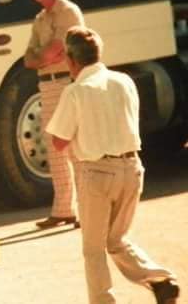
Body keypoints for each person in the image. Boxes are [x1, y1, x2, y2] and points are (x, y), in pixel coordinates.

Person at [46, 26, 180, 304]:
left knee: (94, 249)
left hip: (96, 173)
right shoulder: (124, 81)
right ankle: (160, 280)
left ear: (71, 60)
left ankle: (104, 301)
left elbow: (58, 141)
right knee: (117, 240)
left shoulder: (75, 91)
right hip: (132, 168)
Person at [24, 0, 84, 228]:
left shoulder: (68, 12)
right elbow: (29, 58)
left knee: (75, 146)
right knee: (54, 148)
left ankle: (85, 210)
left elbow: (57, 49)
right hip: (47, 86)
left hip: (65, 82)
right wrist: (42, 57)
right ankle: (63, 210)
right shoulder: (39, 19)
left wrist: (42, 57)